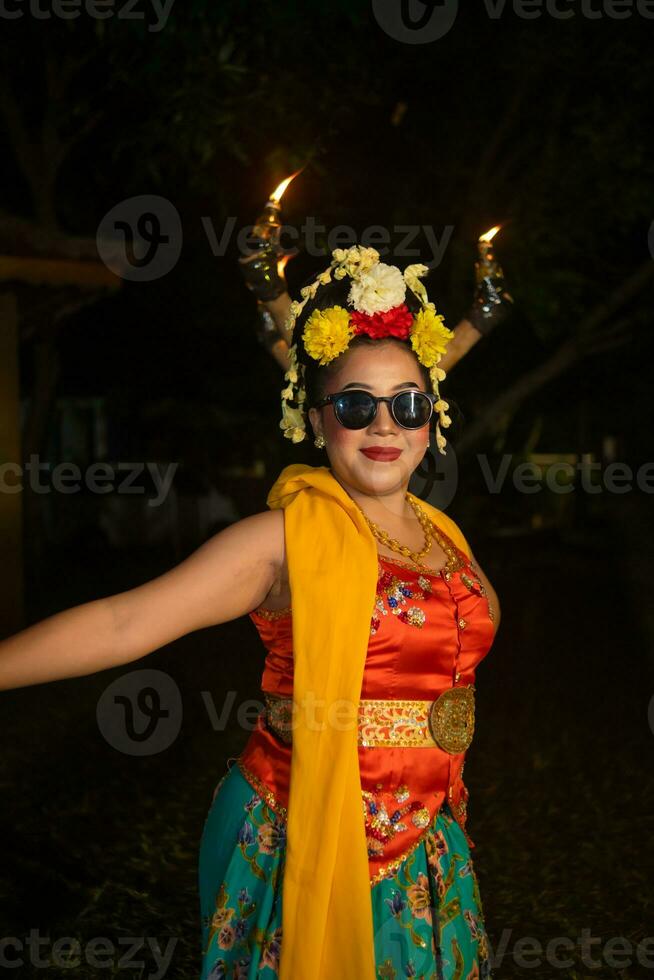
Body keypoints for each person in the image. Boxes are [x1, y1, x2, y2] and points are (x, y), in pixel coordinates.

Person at [0, 246, 500, 980]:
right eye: (356, 405)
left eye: (409, 404)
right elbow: (122, 623)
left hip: (431, 837)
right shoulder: (285, 539)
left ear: (432, 421)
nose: (384, 425)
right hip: (304, 829)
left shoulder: (442, 536)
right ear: (318, 420)